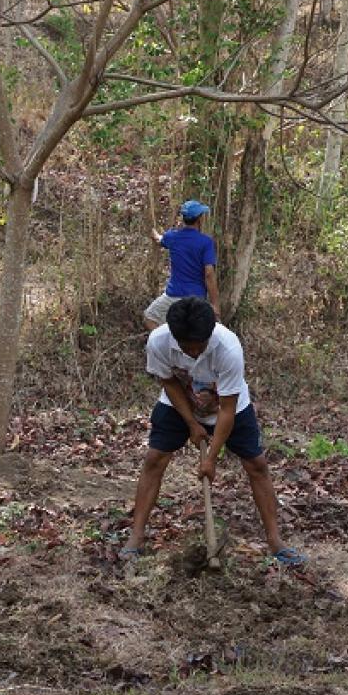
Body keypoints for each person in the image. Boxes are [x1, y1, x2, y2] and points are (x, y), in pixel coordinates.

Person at [121, 297, 305, 567]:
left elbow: (228, 410)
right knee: (154, 459)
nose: (195, 352)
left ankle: (275, 540)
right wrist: (192, 424)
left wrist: (210, 458)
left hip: (228, 406)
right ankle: (135, 537)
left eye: (200, 346)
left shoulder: (228, 347)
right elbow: (169, 382)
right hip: (179, 402)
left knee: (257, 465)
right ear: (175, 337)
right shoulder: (158, 342)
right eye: (188, 348)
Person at [143, 200, 219, 330]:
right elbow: (209, 273)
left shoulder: (172, 237)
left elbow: (159, 239)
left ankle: (170, 343)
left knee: (149, 317)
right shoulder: (206, 242)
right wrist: (214, 304)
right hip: (197, 298)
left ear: (183, 218)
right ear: (199, 219)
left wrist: (152, 230)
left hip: (173, 295)